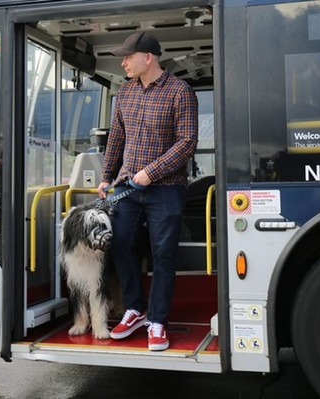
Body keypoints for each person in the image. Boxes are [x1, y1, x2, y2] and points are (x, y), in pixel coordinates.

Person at [97, 31, 199, 351]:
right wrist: (106, 176)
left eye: (128, 57)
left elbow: (187, 143)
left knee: (163, 254)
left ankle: (157, 321)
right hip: (127, 186)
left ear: (148, 58)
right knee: (121, 244)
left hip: (166, 188)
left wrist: (150, 173)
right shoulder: (124, 93)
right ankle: (135, 309)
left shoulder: (180, 92)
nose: (123, 62)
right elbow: (117, 139)